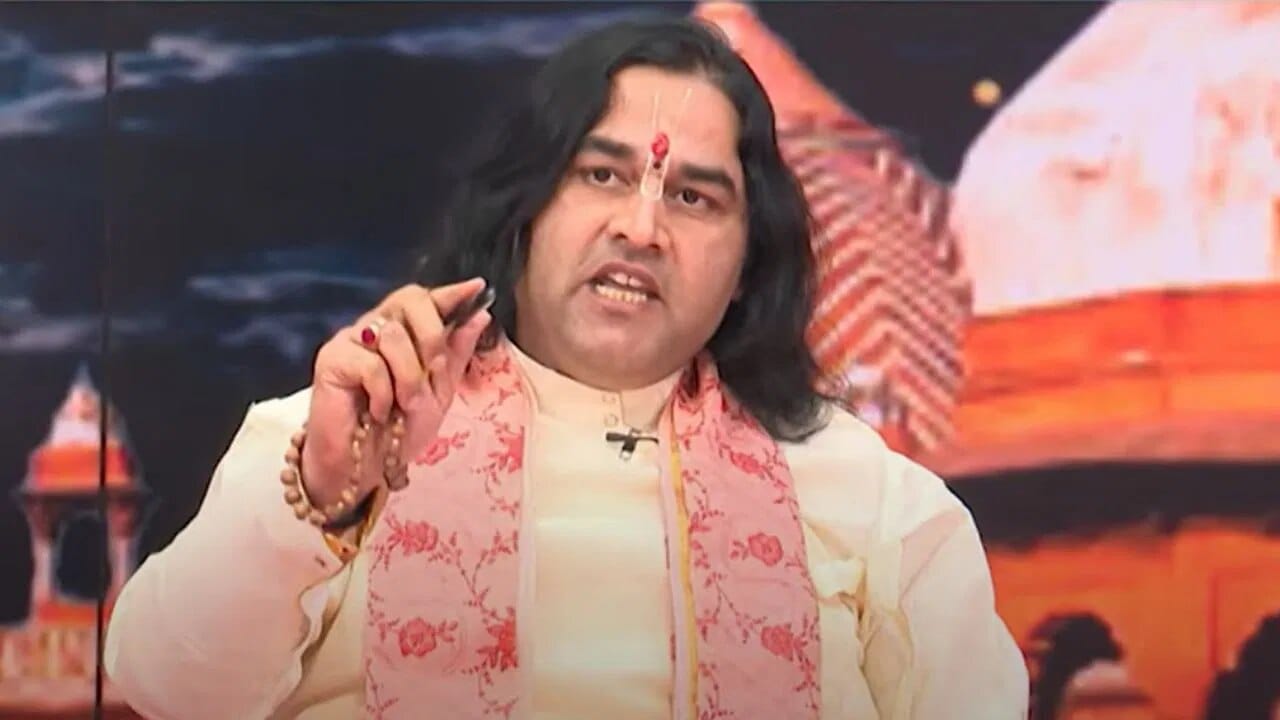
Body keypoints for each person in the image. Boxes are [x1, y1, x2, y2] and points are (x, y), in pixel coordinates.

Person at [105, 16, 1028, 720]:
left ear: (749, 264)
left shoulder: (867, 496)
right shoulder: (340, 436)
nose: (641, 227)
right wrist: (319, 501)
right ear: (526, 210)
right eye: (601, 174)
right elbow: (166, 685)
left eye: (694, 196)